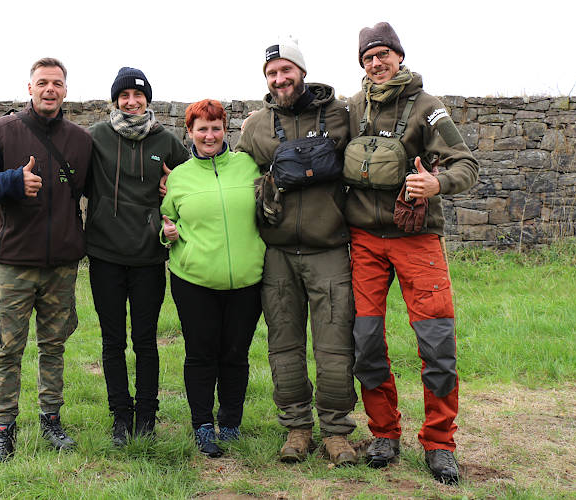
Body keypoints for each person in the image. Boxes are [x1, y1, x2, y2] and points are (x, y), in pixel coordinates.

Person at [345, 22, 479, 484]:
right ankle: (384, 433)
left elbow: (467, 163)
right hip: (364, 242)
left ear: (399, 56)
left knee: (437, 344)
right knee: (365, 342)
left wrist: (437, 182)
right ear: (362, 64)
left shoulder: (429, 108)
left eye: (384, 54)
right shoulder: (351, 108)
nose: (377, 63)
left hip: (417, 240)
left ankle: (440, 443)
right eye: (368, 57)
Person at [235, 38, 359, 466]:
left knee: (335, 343)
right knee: (284, 343)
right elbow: (234, 177)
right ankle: (297, 428)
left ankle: (338, 432)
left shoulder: (343, 116)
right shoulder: (256, 126)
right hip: (278, 252)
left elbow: (373, 157)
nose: (279, 78)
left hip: (329, 249)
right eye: (271, 73)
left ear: (302, 72)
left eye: (286, 70)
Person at [0, 57, 92, 464]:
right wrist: (13, 182)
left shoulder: (80, 140)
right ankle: (4, 430)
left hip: (61, 265)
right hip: (15, 261)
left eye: (57, 83)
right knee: (8, 349)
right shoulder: (2, 131)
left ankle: (51, 421)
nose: (50, 89)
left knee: (54, 346)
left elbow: (101, 192)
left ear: (65, 90)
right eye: (42, 83)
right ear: (30, 88)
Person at [85, 67, 188, 446]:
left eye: (138, 95)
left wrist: (171, 184)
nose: (131, 101)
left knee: (145, 341)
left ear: (148, 99)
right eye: (124, 95)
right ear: (115, 99)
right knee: (112, 341)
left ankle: (146, 415)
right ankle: (120, 417)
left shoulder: (167, 141)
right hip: (105, 254)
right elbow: (76, 181)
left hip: (148, 256)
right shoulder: (96, 137)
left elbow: (192, 185)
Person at [161, 99, 265, 458]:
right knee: (201, 354)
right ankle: (202, 425)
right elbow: (165, 220)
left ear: (226, 130)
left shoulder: (249, 167)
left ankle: (231, 422)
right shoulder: (179, 177)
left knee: (236, 354)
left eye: (216, 127)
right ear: (189, 133)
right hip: (194, 282)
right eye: (202, 128)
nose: (210, 135)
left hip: (248, 281)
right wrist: (166, 233)